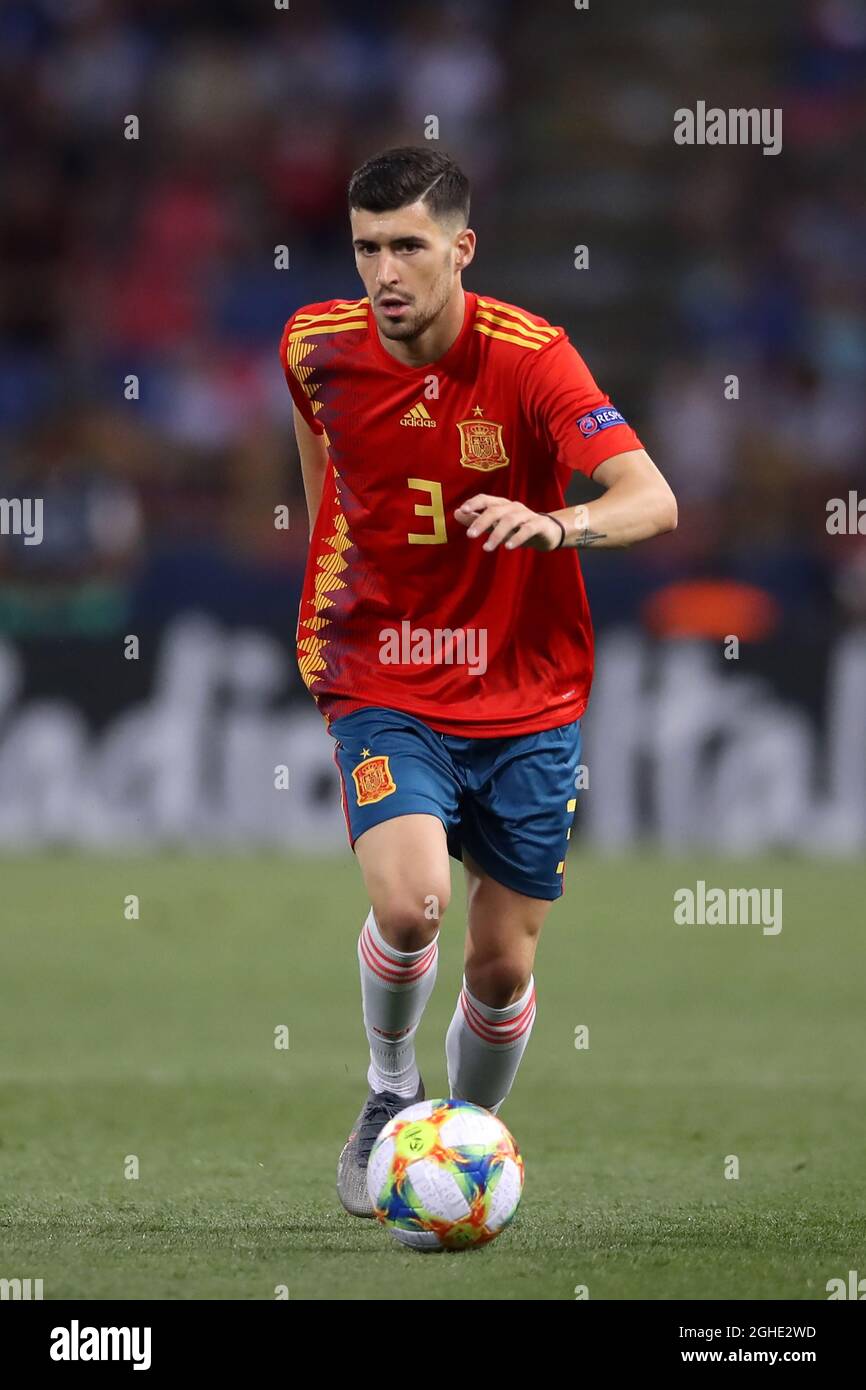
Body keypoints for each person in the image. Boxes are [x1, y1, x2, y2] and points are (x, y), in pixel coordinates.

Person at [279, 146, 677, 1217]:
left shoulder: (531, 358)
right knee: (412, 903)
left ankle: (472, 1138)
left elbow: (651, 497)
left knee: (499, 968)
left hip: (527, 692)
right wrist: (332, 601)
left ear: (460, 248)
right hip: (386, 673)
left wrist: (559, 523)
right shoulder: (315, 345)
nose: (384, 273)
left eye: (407, 246)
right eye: (366, 248)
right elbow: (329, 475)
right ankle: (388, 1096)